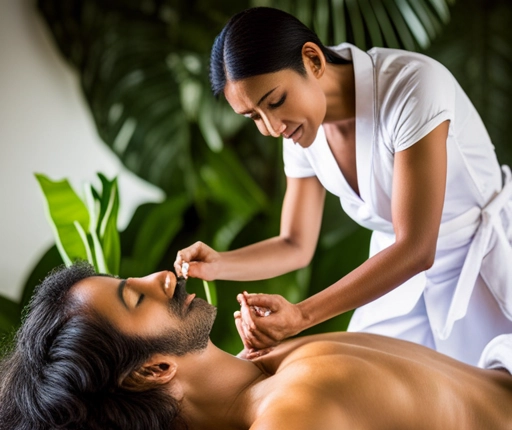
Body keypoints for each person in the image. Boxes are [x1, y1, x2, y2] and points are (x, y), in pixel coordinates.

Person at [1, 263, 511, 430]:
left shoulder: (266, 368)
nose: (160, 276)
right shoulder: (289, 420)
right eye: (137, 299)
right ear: (153, 371)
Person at [174, 6, 512, 365]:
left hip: (480, 270)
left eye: (274, 102)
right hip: (397, 287)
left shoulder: (413, 86)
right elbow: (295, 243)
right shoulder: (301, 130)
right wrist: (219, 264)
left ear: (313, 60)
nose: (272, 128)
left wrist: (301, 316)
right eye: (253, 116)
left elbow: (416, 248)